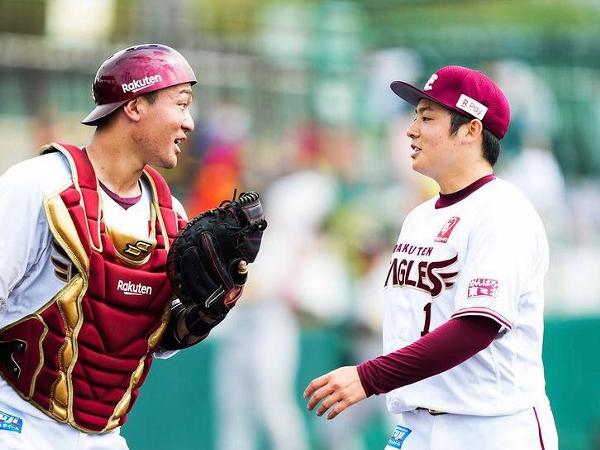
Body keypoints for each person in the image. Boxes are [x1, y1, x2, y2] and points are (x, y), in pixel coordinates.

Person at [304, 65, 559, 450]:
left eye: (427, 118)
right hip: (417, 424)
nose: (411, 130)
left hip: (492, 428)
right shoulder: (418, 218)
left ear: (471, 130)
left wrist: (369, 377)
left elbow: (476, 328)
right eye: (415, 117)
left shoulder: (503, 211)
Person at [0, 44, 241, 449]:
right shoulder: (39, 185)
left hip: (105, 435)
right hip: (18, 424)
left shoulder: (171, 216)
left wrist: (208, 310)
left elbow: (152, 339)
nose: (189, 123)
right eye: (181, 104)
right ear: (134, 106)